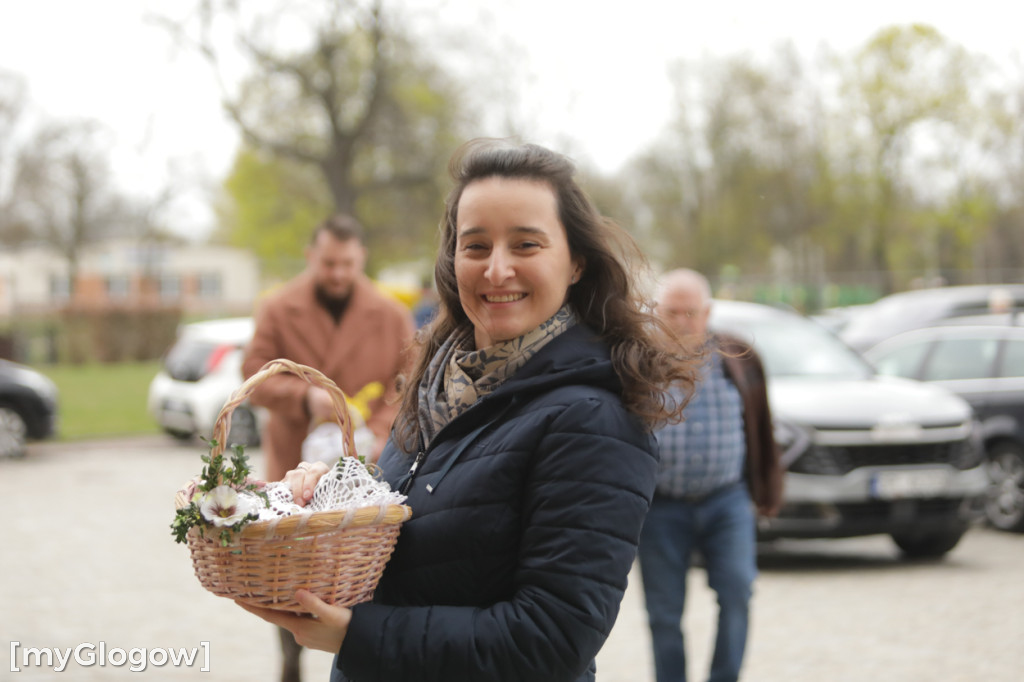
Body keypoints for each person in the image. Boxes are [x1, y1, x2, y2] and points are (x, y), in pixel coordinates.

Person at [238, 138, 702, 682]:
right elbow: (423, 528)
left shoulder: (594, 420)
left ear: (576, 262)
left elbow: (550, 640)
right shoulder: (437, 382)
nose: (496, 269)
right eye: (476, 245)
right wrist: (335, 493)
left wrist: (355, 636)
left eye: (526, 245)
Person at [241, 213, 415, 682]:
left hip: (364, 466)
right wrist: (303, 396)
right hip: (293, 461)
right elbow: (254, 376)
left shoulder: (389, 314)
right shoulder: (278, 308)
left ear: (361, 260)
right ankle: (291, 663)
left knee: (357, 566)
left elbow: (405, 385)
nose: (338, 273)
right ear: (311, 257)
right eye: (329, 263)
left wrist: (376, 430)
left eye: (347, 264)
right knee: (286, 574)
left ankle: (355, 661)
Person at [637, 268, 783, 682]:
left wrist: (768, 487)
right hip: (661, 506)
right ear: (655, 312)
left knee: (738, 591)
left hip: (727, 499)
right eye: (672, 312)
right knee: (664, 613)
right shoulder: (639, 362)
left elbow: (762, 426)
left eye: (691, 312)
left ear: (708, 312)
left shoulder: (738, 357)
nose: (683, 322)